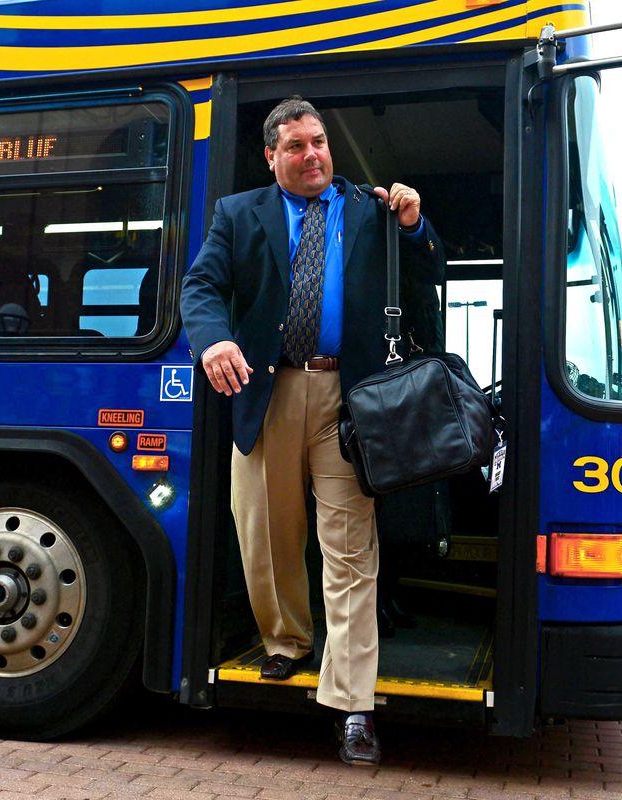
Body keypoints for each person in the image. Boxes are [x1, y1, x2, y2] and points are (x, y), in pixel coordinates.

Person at [180, 96, 445, 766]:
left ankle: (352, 702)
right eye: (296, 146)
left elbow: (429, 277)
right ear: (271, 156)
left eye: (319, 141)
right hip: (265, 391)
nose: (312, 155)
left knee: (350, 548)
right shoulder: (237, 214)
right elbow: (200, 288)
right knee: (268, 533)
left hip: (347, 400)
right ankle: (287, 641)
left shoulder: (370, 210)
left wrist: (414, 226)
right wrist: (213, 341)